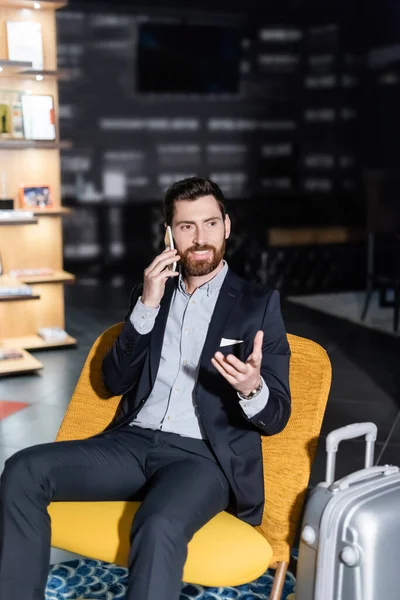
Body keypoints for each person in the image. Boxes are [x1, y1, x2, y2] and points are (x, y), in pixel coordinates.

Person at [0, 177, 291, 600]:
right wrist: (146, 306)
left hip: (202, 458)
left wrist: (252, 388)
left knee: (158, 524)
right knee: (23, 469)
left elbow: (277, 414)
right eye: (187, 226)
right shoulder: (153, 292)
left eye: (210, 224)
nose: (201, 238)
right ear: (169, 233)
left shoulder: (257, 303)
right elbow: (112, 381)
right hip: (133, 443)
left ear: (227, 226)